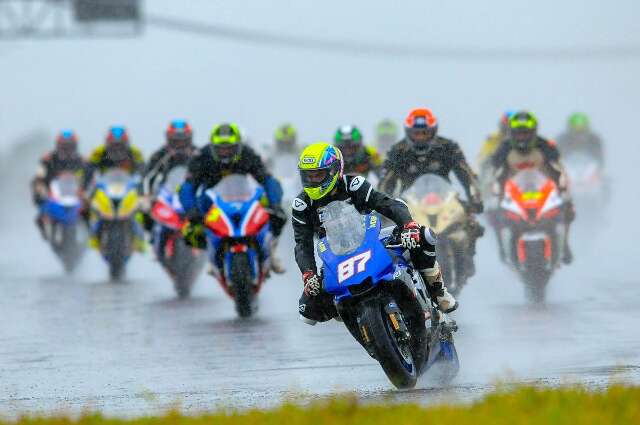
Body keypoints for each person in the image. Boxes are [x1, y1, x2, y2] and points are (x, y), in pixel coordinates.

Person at [292, 142, 457, 324]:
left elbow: (387, 204)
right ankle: (356, 319)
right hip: (335, 254)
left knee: (422, 236)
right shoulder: (301, 205)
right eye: (309, 176)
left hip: (372, 238)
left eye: (319, 175)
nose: (314, 180)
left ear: (334, 170)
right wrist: (308, 274)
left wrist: (408, 225)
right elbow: (302, 244)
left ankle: (438, 292)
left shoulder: (353, 185)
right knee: (307, 311)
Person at [380, 107, 484, 276]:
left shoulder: (448, 147)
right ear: (408, 133)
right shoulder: (398, 152)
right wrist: (383, 206)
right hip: (410, 202)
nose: (420, 137)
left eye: (424, 133)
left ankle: (467, 259)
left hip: (445, 199)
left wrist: (475, 198)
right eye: (416, 133)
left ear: (433, 132)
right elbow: (385, 184)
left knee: (471, 223)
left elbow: (466, 174)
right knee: (389, 234)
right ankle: (398, 272)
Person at [179, 122, 287, 274]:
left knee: (278, 217)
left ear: (238, 146)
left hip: (245, 197)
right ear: (213, 147)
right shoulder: (202, 157)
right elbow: (188, 187)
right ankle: (212, 255)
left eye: (229, 148)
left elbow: (269, 180)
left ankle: (271, 253)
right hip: (211, 202)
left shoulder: (248, 154)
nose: (225, 152)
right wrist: (191, 210)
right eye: (221, 149)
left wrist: (275, 204)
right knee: (189, 230)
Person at [491, 110, 575, 264]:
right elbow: (498, 172)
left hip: (543, 190)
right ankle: (503, 249)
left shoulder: (545, 146)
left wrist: (563, 190)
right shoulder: (504, 149)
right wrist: (498, 194)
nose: (522, 137)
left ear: (534, 132)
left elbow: (557, 169)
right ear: (511, 133)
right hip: (514, 192)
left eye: (526, 133)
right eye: (518, 134)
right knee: (494, 214)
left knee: (568, 209)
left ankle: (565, 245)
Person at [87, 126, 146, 251]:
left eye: (120, 146)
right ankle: (92, 235)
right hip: (105, 186)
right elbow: (88, 170)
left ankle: (140, 238)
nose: (117, 150)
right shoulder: (98, 153)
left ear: (126, 144)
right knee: (90, 203)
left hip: (128, 186)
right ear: (108, 144)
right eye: (114, 146)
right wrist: (83, 188)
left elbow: (143, 170)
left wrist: (142, 188)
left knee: (141, 205)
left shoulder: (135, 153)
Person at [31, 130, 90, 239]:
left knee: (89, 209)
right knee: (41, 212)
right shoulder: (48, 159)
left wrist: (84, 189)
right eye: (64, 147)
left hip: (75, 192)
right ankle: (45, 231)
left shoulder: (82, 161)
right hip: (53, 192)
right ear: (58, 146)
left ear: (75, 146)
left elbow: (89, 177)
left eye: (70, 146)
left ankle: (88, 233)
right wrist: (39, 188)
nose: (67, 150)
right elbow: (39, 176)